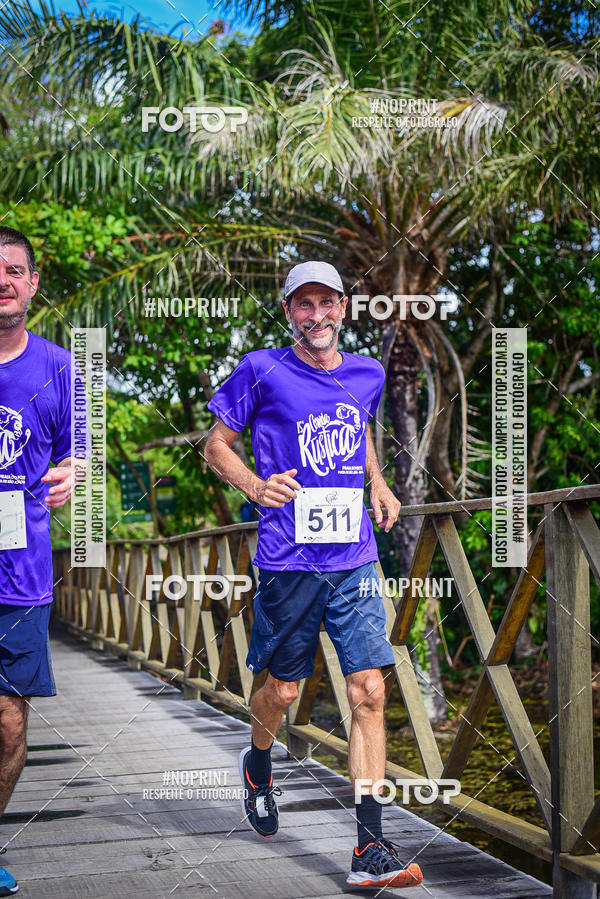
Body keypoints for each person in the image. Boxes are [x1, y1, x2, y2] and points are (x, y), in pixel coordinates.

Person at [204, 260, 423, 889]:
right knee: (283, 692)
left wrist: (377, 482)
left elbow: (360, 431)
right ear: (288, 312)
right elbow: (216, 445)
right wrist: (255, 486)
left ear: (344, 308)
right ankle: (258, 762)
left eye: (327, 302)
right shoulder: (260, 368)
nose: (317, 314)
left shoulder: (368, 373)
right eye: (304, 304)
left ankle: (369, 848)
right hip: (287, 560)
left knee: (370, 690)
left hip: (354, 557)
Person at [0, 227, 79, 896]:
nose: (2, 280)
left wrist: (73, 472)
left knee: (8, 726)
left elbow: (77, 451)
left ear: (32, 282)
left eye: (13, 269)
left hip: (21, 575)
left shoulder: (58, 366)